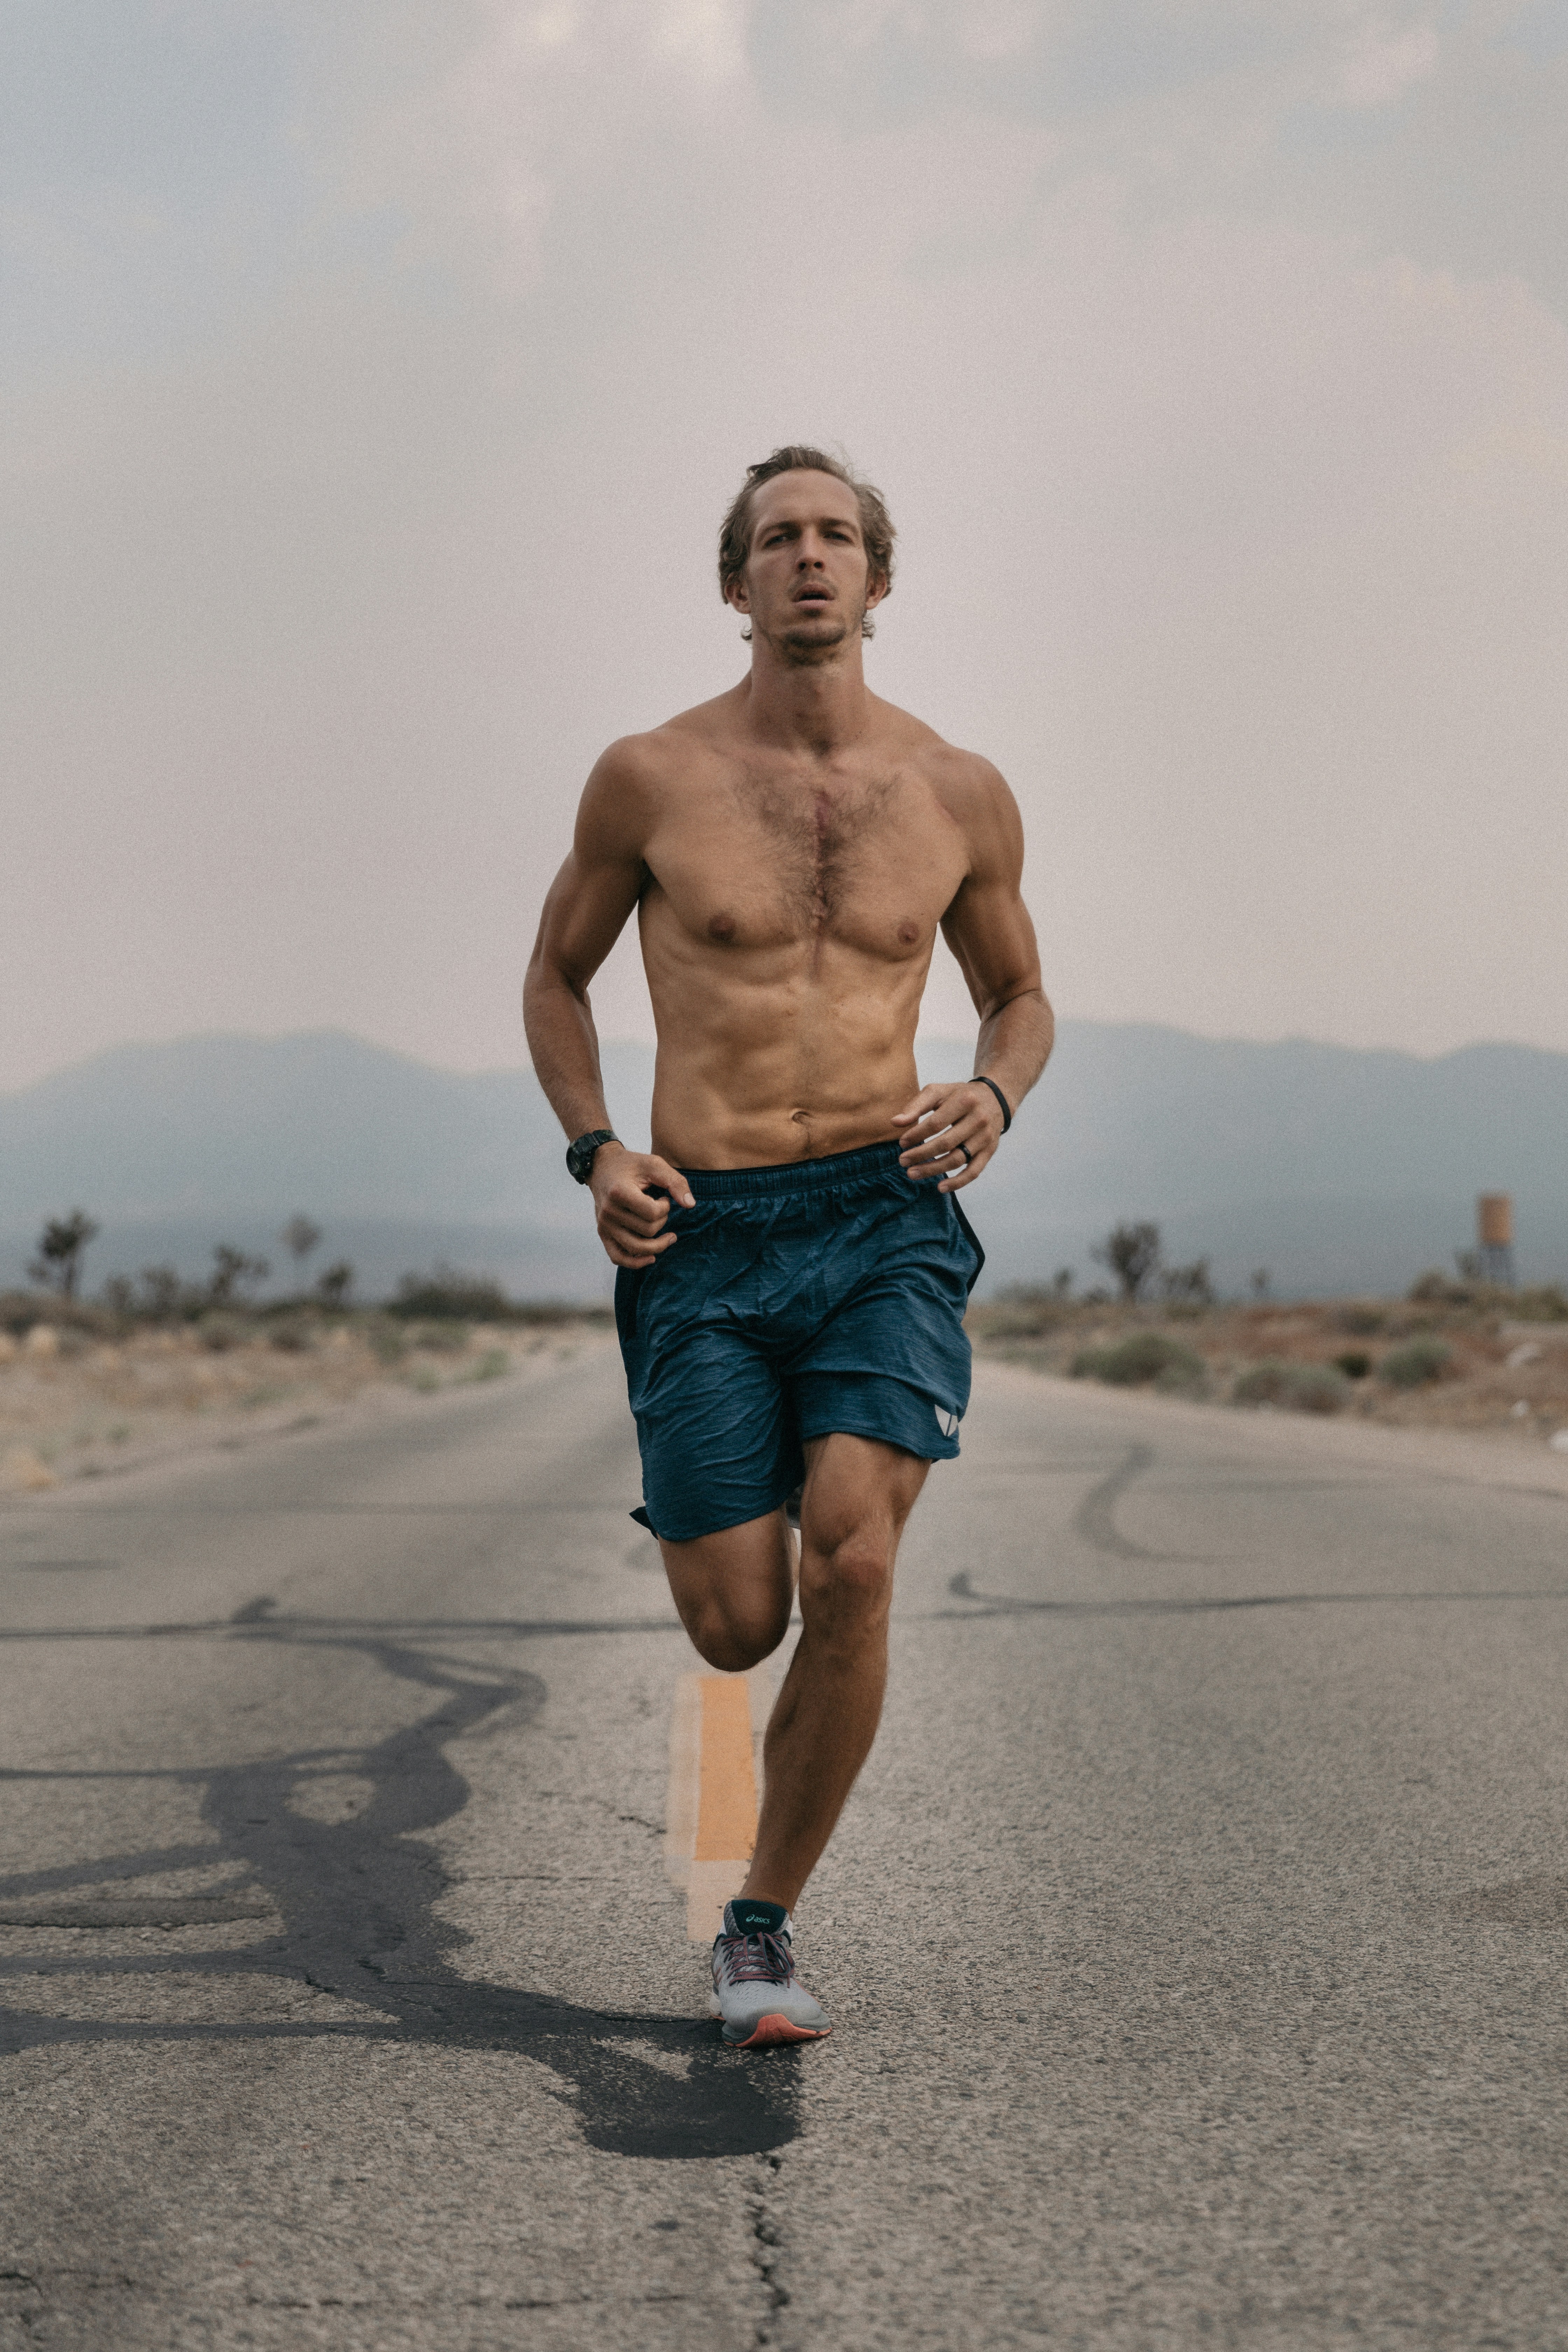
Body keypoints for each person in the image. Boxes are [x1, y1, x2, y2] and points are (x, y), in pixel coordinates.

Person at [524, 446, 1052, 2046]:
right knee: (738, 1623)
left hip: (881, 1216)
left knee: (859, 1558)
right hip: (703, 1227)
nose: (806, 558)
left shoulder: (959, 790)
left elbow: (1019, 995)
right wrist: (597, 1147)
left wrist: (993, 1095)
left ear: (877, 581)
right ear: (736, 583)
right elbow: (555, 977)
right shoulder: (648, 778)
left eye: (834, 537)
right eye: (776, 539)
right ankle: (747, 1796)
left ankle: (757, 1928)